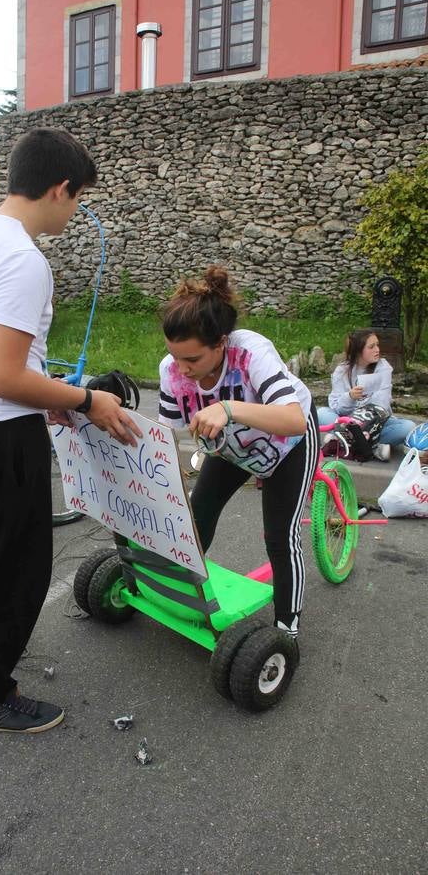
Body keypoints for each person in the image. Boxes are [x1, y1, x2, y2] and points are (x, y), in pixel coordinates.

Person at [0, 128, 141, 735]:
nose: (76, 212)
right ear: (58, 188)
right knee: (15, 573)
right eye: (78, 199)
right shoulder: (23, 258)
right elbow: (1, 375)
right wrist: (85, 399)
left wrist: (45, 400)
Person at [158, 266, 319, 641]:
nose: (182, 369)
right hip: (233, 444)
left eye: (192, 360)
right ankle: (184, 592)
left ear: (221, 343)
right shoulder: (172, 369)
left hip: (287, 444)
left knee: (280, 535)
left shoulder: (250, 351)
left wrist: (228, 409)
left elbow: (293, 420)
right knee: (196, 517)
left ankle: (286, 630)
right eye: (175, 357)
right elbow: (165, 433)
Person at [317, 329, 415, 461]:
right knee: (322, 413)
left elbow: (383, 405)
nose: (377, 350)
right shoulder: (342, 370)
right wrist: (350, 397)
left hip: (375, 422)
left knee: (407, 427)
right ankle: (372, 447)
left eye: (377, 345)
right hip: (348, 420)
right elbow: (336, 407)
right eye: (371, 346)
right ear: (358, 350)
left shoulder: (383, 367)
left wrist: (362, 405)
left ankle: (342, 441)